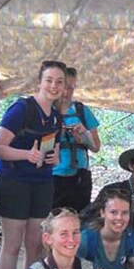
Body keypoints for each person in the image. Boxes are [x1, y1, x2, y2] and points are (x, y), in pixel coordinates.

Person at [0, 60, 65, 269]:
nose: (54, 86)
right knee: (12, 244)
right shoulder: (21, 109)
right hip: (14, 182)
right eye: (49, 80)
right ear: (39, 82)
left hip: (42, 182)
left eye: (59, 82)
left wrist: (55, 157)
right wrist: (26, 155)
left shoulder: (55, 116)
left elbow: (52, 149)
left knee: (35, 243)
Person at [52, 67, 101, 212]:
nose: (67, 92)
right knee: (53, 221)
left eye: (71, 88)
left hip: (79, 177)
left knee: (79, 219)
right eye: (65, 87)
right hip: (53, 176)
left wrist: (84, 134)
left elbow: (96, 147)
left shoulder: (81, 111)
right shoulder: (47, 111)